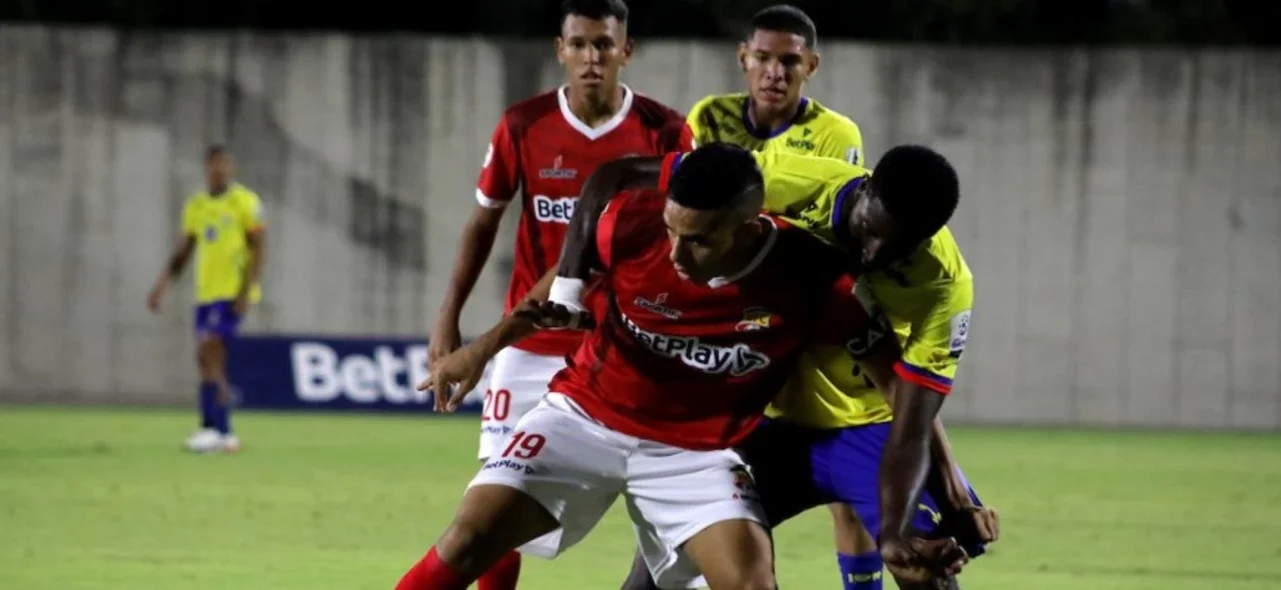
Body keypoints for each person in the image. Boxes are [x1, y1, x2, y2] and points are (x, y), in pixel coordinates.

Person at [397, 144, 959, 590]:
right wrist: (482, 347)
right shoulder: (632, 223)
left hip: (697, 456)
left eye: (695, 240)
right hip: (582, 419)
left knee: (751, 582)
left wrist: (913, 515)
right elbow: (550, 297)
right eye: (671, 230)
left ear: (746, 227)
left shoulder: (815, 280)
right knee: (465, 541)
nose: (674, 253)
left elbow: (902, 404)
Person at [567, 146, 997, 588]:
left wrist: (928, 510)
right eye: (868, 230)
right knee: (657, 573)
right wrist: (568, 284)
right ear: (865, 189)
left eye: (898, 249)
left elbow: (911, 422)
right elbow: (621, 176)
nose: (871, 255)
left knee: (924, 565)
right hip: (763, 422)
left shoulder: (944, 286)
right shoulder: (784, 178)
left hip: (867, 428)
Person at [426, 0, 693, 586]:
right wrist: (449, 318)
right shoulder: (523, 125)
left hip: (622, 349)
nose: (591, 57)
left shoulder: (666, 131)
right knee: (493, 506)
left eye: (603, 44)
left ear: (627, 51)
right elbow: (483, 221)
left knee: (664, 508)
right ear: (560, 50)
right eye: (579, 44)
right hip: (529, 343)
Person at [147, 145, 265, 454]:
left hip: (232, 293)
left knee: (209, 349)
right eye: (214, 165)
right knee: (205, 360)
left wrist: (245, 291)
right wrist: (161, 286)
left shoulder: (245, 202)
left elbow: (258, 248)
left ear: (231, 168)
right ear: (207, 168)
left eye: (225, 165)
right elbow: (183, 252)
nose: (220, 170)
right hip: (207, 294)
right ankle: (211, 428)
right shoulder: (196, 206)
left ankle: (222, 430)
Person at [687, 5, 863, 166]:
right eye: (762, 58)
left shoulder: (834, 134)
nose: (775, 73)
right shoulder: (709, 116)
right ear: (743, 58)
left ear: (811, 66)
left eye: (790, 61)